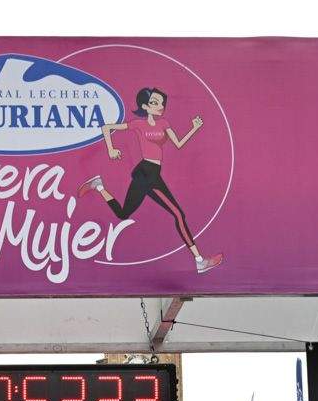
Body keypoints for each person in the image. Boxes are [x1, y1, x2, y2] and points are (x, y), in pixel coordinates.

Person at [76, 87, 224, 274]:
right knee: (178, 214)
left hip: (152, 173)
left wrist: (193, 128)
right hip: (146, 172)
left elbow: (178, 144)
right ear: (145, 106)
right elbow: (107, 128)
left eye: (161, 103)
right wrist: (110, 149)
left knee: (123, 214)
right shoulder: (138, 124)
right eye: (155, 102)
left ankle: (99, 186)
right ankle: (199, 261)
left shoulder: (164, 123)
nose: (160, 106)